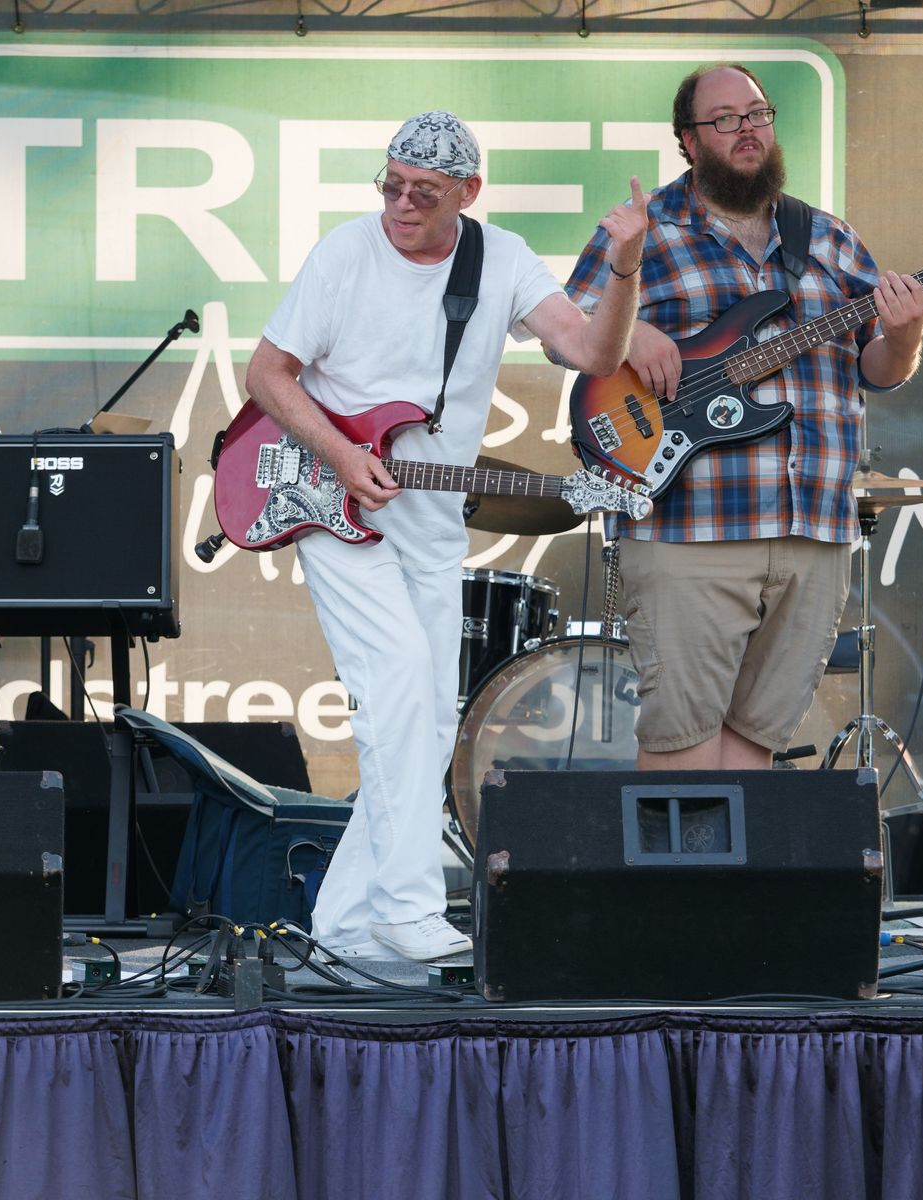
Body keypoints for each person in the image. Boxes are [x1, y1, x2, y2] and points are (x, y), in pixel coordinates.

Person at [244, 111, 646, 962]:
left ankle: (346, 927)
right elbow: (267, 374)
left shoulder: (500, 259)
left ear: (468, 192)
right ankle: (409, 906)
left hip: (429, 521)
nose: (400, 204)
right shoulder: (345, 254)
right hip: (333, 503)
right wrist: (342, 455)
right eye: (390, 185)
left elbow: (592, 351)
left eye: (422, 193)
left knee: (425, 724)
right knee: (396, 690)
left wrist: (624, 267)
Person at [560, 64, 923, 771]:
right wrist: (631, 331)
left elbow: (877, 369)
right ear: (688, 140)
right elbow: (566, 325)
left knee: (754, 754)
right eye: (724, 119)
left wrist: (906, 336)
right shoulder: (646, 229)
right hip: (688, 526)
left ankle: (727, 853)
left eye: (757, 114)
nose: (747, 129)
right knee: (683, 752)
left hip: (813, 527)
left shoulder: (829, 238)